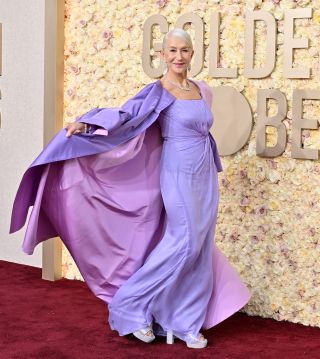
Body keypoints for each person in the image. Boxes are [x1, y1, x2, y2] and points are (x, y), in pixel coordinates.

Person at [10, 28, 251, 349]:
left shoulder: (202, 90)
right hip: (177, 171)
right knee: (185, 243)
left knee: (201, 247)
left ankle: (184, 322)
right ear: (164, 55)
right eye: (173, 51)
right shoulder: (158, 92)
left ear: (193, 54)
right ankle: (130, 306)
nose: (179, 56)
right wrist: (86, 124)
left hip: (205, 173)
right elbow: (125, 117)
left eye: (185, 50)